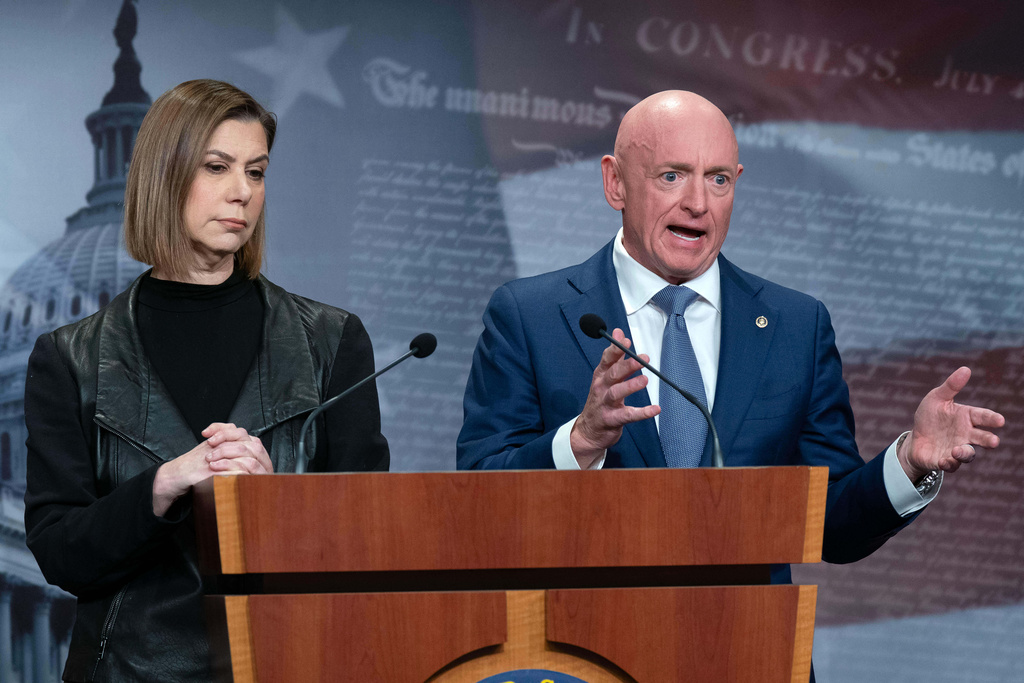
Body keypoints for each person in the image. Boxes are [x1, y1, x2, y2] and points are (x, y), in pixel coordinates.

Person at [458, 91, 1004, 571]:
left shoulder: (796, 326)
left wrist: (908, 463)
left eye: (717, 178)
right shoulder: (529, 316)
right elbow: (478, 504)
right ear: (616, 182)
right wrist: (580, 443)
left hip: (749, 645)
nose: (698, 203)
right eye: (672, 176)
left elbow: (829, 523)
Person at [23, 79, 389, 682]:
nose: (242, 192)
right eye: (217, 167)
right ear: (162, 177)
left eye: (257, 171)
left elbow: (371, 542)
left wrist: (276, 505)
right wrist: (165, 484)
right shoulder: (68, 358)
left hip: (291, 663)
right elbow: (62, 553)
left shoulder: (332, 341)